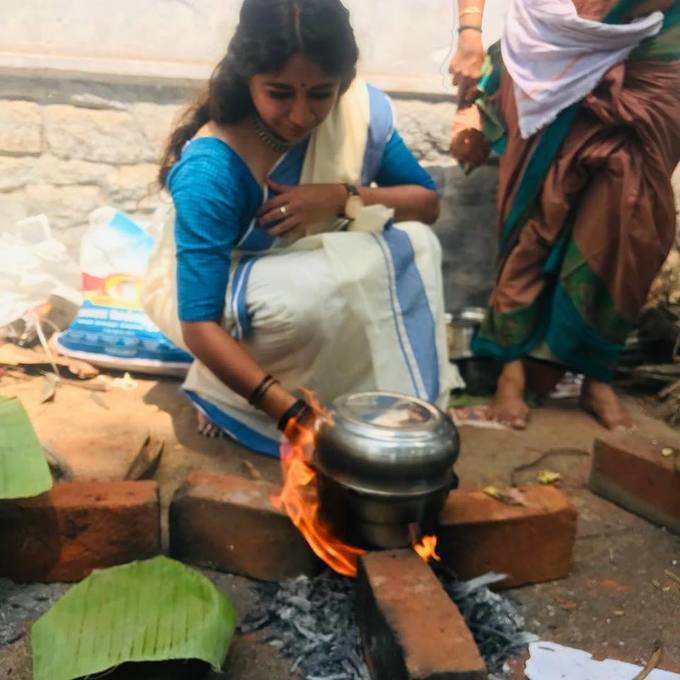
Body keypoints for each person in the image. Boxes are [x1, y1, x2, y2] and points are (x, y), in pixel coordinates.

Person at [142, 0, 458, 456]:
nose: (300, 115)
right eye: (279, 93)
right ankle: (225, 394)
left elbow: (426, 205)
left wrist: (339, 197)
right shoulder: (211, 169)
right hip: (229, 309)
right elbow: (199, 325)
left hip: (307, 288)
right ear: (246, 76)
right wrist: (293, 416)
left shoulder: (356, 112)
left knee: (415, 244)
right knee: (311, 295)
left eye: (319, 94)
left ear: (342, 84)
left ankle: (344, 396)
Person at [449, 0, 679, 429]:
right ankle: (511, 370)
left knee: (628, 216)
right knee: (536, 210)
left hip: (658, 47)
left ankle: (596, 372)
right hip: (555, 37)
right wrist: (469, 33)